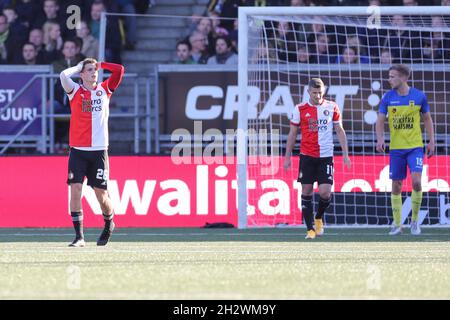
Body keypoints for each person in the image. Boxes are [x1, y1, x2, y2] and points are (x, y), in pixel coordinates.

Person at [59, 57, 125, 247]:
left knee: (101, 195)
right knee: (75, 191)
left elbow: (119, 70)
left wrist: (101, 64)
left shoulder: (104, 90)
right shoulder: (75, 91)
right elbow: (63, 75)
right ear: (81, 74)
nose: (93, 72)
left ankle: (109, 222)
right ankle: (79, 237)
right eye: (89, 70)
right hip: (78, 151)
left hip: (98, 152)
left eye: (94, 70)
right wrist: (78, 66)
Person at [284, 78, 351, 239]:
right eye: (314, 93)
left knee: (325, 193)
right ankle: (310, 230)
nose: (318, 96)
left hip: (326, 156)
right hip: (307, 156)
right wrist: (287, 157)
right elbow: (292, 134)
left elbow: (339, 130)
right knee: (306, 191)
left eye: (320, 92)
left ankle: (319, 218)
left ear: (324, 91)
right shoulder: (300, 109)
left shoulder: (332, 107)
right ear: (308, 92)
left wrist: (346, 154)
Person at [376, 64, 435, 236]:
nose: (389, 79)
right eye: (389, 76)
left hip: (415, 148)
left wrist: (431, 141)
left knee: (417, 182)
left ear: (403, 78)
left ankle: (415, 222)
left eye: (392, 76)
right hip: (396, 149)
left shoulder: (419, 96)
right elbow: (380, 120)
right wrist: (380, 138)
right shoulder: (387, 97)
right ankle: (397, 224)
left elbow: (427, 119)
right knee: (396, 185)